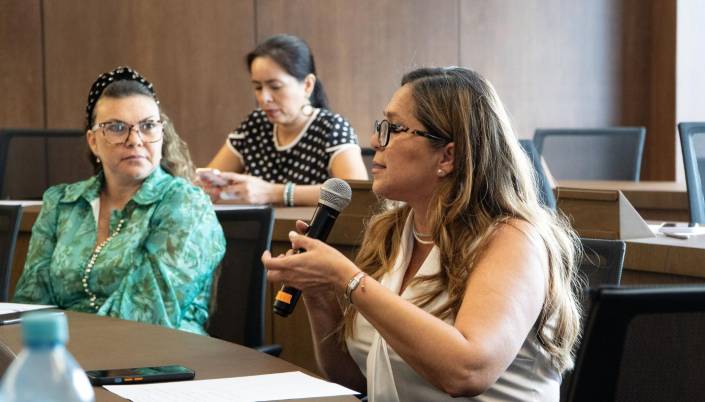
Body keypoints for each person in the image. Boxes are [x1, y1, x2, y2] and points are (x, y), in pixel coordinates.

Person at [262, 67, 583, 401]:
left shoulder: (514, 239)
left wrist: (347, 278)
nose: (374, 142)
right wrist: (320, 293)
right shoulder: (393, 232)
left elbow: (468, 371)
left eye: (394, 128)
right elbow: (358, 380)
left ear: (448, 155)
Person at [14, 66, 226, 335]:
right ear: (93, 141)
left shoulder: (186, 205)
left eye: (148, 126)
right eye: (116, 128)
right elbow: (29, 306)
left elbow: (148, 314)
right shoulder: (61, 203)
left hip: (163, 359)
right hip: (66, 357)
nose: (134, 140)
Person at [200, 34, 368, 206]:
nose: (264, 98)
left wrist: (273, 193)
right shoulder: (254, 125)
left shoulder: (332, 128)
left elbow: (356, 195)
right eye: (258, 87)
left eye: (275, 87)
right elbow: (205, 187)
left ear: (307, 85)